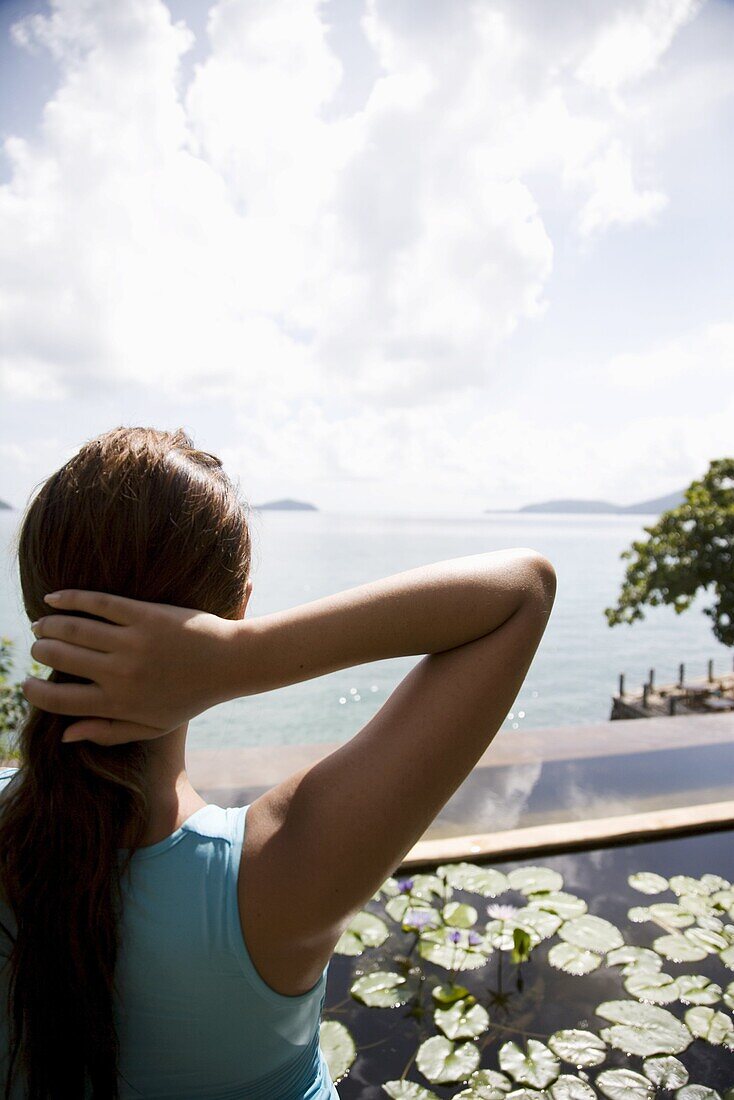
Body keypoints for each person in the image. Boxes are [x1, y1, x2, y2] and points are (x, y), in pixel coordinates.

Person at [2, 426, 556, 1099]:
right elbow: (522, 589)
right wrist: (244, 656)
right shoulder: (278, 874)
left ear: (37, 603)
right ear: (236, 608)